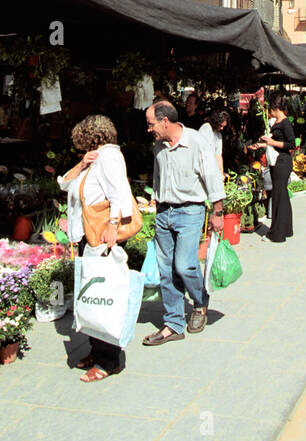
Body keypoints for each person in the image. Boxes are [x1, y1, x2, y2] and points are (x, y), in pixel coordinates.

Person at [59, 114, 137, 382]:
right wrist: (81, 164)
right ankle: (96, 349)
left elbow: (119, 194)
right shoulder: (95, 159)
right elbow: (64, 183)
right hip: (88, 235)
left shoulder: (110, 156)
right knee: (92, 294)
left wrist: (113, 225)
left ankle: (109, 360)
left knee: (104, 296)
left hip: (102, 235)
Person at [142, 101, 224, 344]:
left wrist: (218, 212)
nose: (149, 129)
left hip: (190, 212)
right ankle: (174, 323)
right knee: (165, 270)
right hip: (164, 212)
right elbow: (158, 176)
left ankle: (199, 304)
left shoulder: (196, 141)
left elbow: (211, 176)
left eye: (151, 124)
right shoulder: (159, 146)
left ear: (164, 121)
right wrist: (155, 202)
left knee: (184, 265)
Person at [259, 94, 295, 241]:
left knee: (278, 196)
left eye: (271, 108)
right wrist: (263, 144)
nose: (269, 111)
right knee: (283, 196)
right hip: (277, 161)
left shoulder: (285, 123)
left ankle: (277, 233)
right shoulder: (277, 121)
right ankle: (286, 229)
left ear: (276, 107)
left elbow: (291, 144)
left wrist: (272, 142)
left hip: (282, 161)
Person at [199, 107, 230, 177]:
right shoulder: (206, 128)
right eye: (220, 125)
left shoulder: (218, 135)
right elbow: (202, 152)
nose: (222, 128)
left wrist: (221, 174)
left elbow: (218, 155)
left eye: (223, 126)